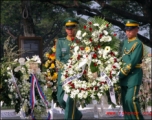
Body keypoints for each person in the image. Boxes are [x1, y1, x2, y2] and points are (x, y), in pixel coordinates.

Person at [55, 18, 82, 119]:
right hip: (63, 75)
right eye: (68, 28)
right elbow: (58, 59)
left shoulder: (80, 42)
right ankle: (77, 114)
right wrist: (66, 68)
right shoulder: (61, 42)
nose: (70, 30)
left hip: (75, 76)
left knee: (70, 100)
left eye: (72, 27)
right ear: (65, 29)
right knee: (61, 99)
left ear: (76, 28)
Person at [119, 19, 144, 120]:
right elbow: (123, 58)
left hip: (133, 75)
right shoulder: (125, 42)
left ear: (137, 30)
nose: (128, 32)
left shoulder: (138, 43)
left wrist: (121, 73)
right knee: (125, 101)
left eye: (131, 30)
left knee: (131, 100)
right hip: (124, 77)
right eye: (126, 30)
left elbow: (132, 62)